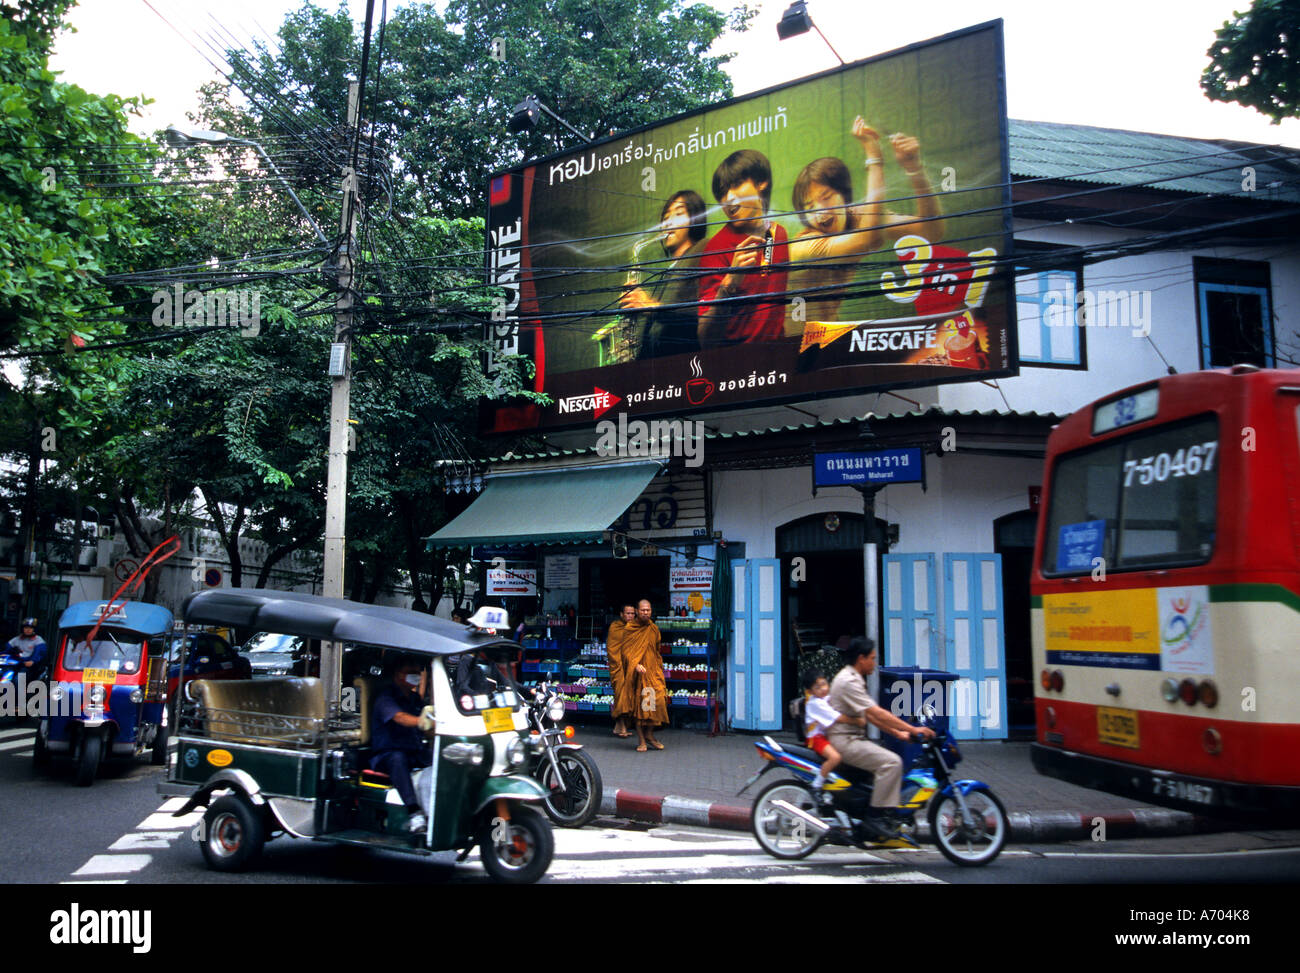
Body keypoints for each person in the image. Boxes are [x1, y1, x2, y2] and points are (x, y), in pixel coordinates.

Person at [827, 638, 934, 839]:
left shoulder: (854, 678)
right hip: (844, 742)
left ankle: (871, 811)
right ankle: (875, 819)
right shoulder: (849, 681)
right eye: (873, 659)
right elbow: (876, 713)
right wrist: (913, 728)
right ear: (862, 658)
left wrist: (898, 733)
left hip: (851, 739)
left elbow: (870, 716)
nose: (875, 664)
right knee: (892, 763)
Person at [697, 150, 790, 349]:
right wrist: (729, 283)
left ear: (761, 182)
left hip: (779, 359)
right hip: (738, 366)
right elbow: (705, 338)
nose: (728, 198)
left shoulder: (779, 233)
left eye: (736, 184)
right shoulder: (715, 249)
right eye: (722, 193)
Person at [618, 190, 709, 358]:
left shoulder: (703, 249)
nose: (667, 223)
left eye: (678, 213)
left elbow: (704, 313)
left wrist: (651, 307)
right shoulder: (664, 276)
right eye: (665, 218)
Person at [370, 655, 433, 833]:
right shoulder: (386, 698)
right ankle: (414, 812)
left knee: (439, 759)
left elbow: (426, 728)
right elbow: (400, 718)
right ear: (398, 675)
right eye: (410, 673)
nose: (416, 676)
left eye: (417, 673)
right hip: (387, 754)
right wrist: (423, 721)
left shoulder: (415, 699)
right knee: (398, 759)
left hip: (414, 751)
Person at [802, 671, 865, 792]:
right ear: (810, 692)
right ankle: (817, 785)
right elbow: (838, 717)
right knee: (835, 758)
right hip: (816, 738)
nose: (823, 688)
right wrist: (857, 721)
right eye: (817, 687)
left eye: (824, 684)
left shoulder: (823, 699)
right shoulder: (815, 703)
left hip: (824, 735)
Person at [617, 599, 668, 752]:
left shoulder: (653, 629)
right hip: (638, 674)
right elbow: (625, 652)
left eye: (648, 610)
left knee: (656, 702)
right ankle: (641, 740)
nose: (645, 613)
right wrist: (635, 664)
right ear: (638, 612)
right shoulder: (630, 629)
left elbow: (657, 650)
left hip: (653, 673)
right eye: (643, 610)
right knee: (641, 707)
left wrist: (658, 668)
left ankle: (649, 734)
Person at [607, 604, 635, 738]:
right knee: (620, 696)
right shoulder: (615, 627)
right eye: (627, 613)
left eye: (632, 614)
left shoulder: (636, 628)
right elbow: (612, 650)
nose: (630, 616)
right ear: (621, 614)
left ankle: (620, 726)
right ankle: (621, 726)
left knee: (629, 697)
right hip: (619, 667)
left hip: (632, 668)